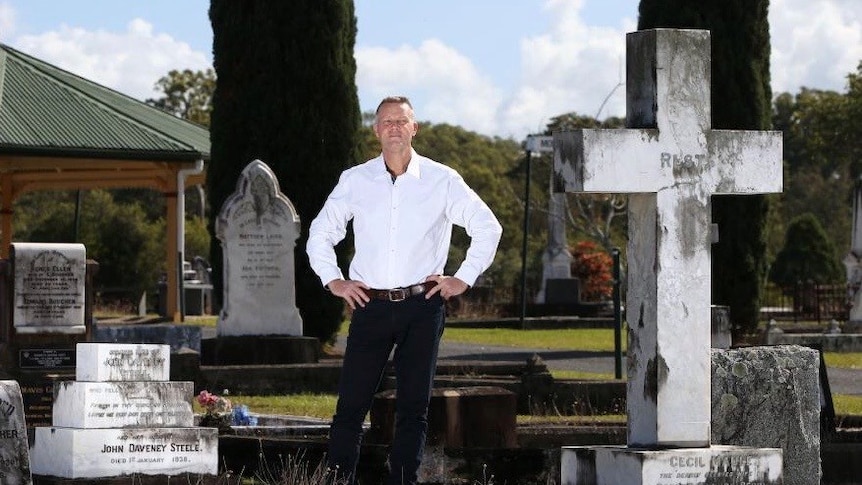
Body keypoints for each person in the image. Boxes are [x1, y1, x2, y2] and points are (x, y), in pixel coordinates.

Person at [306, 95, 502, 485]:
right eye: (386, 121)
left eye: (402, 120)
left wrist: (462, 277)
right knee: (350, 407)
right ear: (376, 130)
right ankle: (338, 480)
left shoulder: (443, 180)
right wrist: (334, 280)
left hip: (422, 306)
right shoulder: (355, 180)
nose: (394, 127)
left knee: (414, 409)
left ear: (415, 128)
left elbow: (487, 227)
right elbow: (319, 234)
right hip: (371, 306)